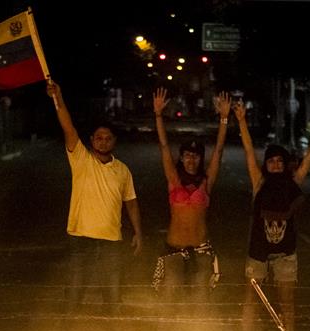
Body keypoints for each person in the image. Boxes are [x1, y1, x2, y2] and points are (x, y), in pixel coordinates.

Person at [233, 100, 310, 331]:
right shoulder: (259, 184)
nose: (277, 165)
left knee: (287, 303)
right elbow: (248, 152)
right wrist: (242, 121)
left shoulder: (294, 184)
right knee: (251, 300)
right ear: (267, 164)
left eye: (280, 161)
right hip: (257, 252)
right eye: (272, 161)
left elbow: (309, 158)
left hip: (285, 254)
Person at [46, 80, 143, 309]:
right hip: (81, 239)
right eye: (98, 138)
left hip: (111, 241)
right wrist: (58, 98)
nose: (103, 141)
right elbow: (68, 128)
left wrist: (138, 232)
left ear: (114, 142)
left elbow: (131, 203)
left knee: (112, 295)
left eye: (108, 138)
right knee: (75, 294)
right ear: (91, 141)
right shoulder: (81, 159)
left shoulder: (122, 169)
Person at [151, 87, 232, 305]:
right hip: (174, 248)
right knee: (171, 293)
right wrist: (158, 115)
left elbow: (219, 151)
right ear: (182, 158)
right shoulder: (174, 180)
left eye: (195, 157)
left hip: (201, 248)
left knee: (201, 297)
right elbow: (164, 146)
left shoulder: (206, 182)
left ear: (200, 159)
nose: (191, 160)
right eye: (187, 156)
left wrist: (224, 118)